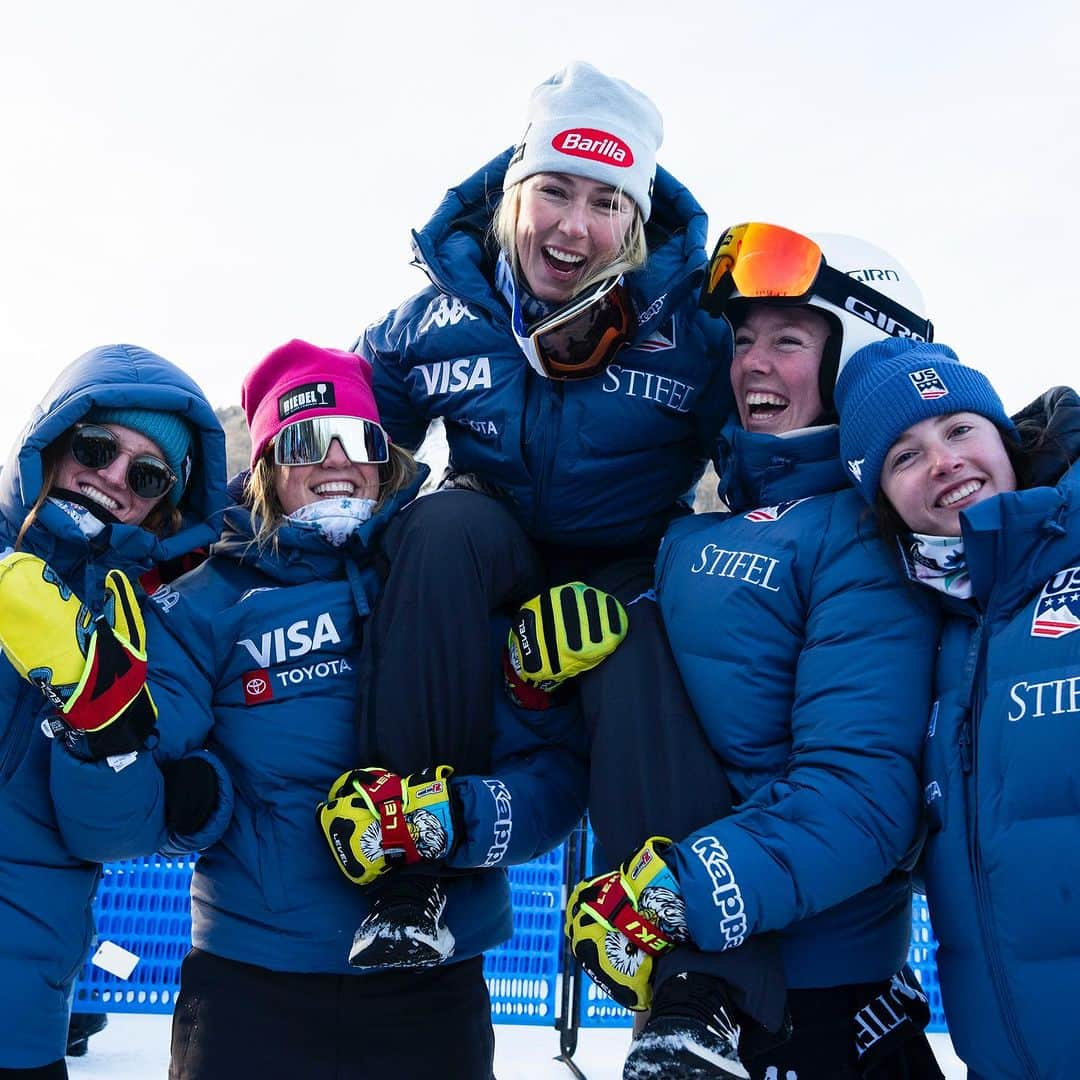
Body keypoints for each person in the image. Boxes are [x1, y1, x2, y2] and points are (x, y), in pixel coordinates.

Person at [348, 57, 734, 970]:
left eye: (607, 204)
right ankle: (409, 870)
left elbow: (770, 453)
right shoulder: (435, 319)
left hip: (629, 558)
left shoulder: (693, 327)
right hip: (494, 548)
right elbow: (348, 441)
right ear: (511, 199)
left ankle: (678, 971)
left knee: (643, 625)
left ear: (634, 226)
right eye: (555, 191)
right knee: (438, 527)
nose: (573, 226)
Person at [137, 339, 586, 1080]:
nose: (337, 460)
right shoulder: (207, 603)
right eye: (308, 441)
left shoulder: (446, 578)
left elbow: (553, 776)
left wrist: (461, 819)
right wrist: (189, 800)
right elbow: (151, 789)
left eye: (361, 439)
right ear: (268, 470)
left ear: (387, 459)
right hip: (255, 984)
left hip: (430, 988)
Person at [566, 224, 947, 1079]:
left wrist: (682, 892)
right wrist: (530, 681)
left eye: (787, 339)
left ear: (860, 362)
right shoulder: (692, 533)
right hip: (698, 1005)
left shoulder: (862, 536)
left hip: (822, 1007)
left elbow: (863, 795)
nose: (752, 365)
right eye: (741, 341)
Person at [835, 337, 1080, 1080]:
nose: (943, 461)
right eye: (904, 456)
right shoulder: (934, 633)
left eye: (960, 429)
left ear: (1005, 439)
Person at [0, 343, 229, 1078]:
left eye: (147, 474)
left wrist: (103, 727)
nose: (111, 480)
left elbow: (114, 835)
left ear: (166, 504)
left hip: (16, 1009)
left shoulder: (153, 630)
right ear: (56, 441)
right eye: (97, 448)